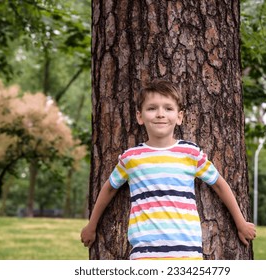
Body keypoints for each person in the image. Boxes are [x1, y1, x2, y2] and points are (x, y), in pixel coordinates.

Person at [80, 79, 256, 260]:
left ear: (179, 117)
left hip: (187, 254)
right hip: (144, 255)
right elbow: (109, 188)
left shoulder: (191, 153)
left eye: (168, 108)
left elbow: (219, 184)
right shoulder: (131, 158)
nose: (160, 114)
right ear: (140, 116)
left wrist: (240, 223)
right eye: (152, 108)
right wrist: (91, 226)